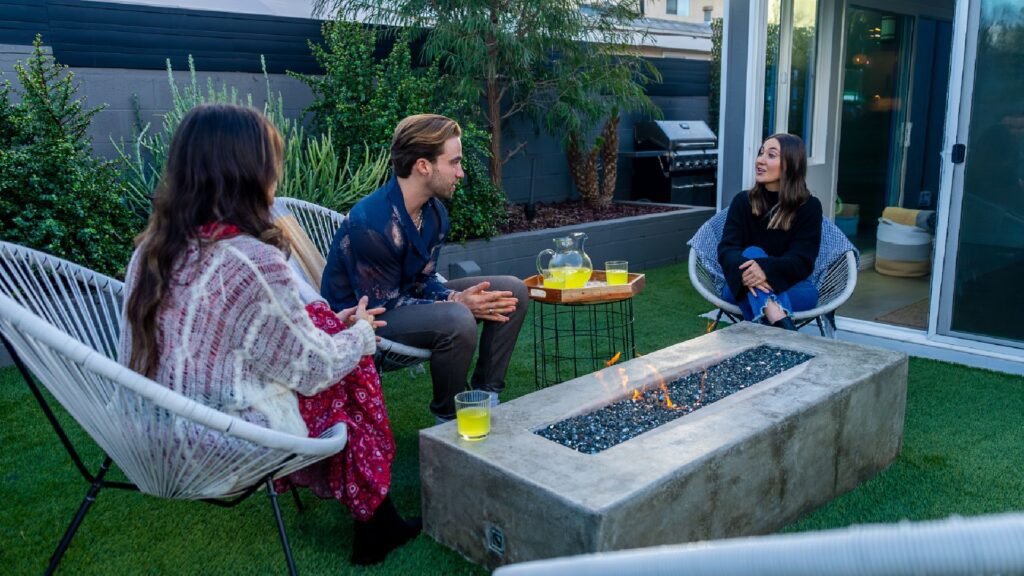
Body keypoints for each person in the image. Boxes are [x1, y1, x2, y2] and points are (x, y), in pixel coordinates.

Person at [118, 103, 418, 566]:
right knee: (350, 367)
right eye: (272, 163)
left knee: (323, 326)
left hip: (148, 432)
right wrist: (359, 335)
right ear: (251, 174)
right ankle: (375, 519)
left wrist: (329, 325)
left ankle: (378, 518)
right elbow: (314, 369)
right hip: (219, 439)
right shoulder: (250, 262)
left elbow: (237, 340)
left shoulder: (151, 253)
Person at [321, 114, 528, 422]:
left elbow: (424, 280)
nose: (461, 173)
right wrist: (454, 301)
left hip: (403, 302)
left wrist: (449, 295)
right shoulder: (372, 223)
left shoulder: (433, 213)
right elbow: (382, 305)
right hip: (365, 319)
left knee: (513, 290)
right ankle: (448, 416)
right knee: (457, 317)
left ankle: (483, 398)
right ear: (423, 166)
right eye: (454, 162)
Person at [718, 133, 822, 330]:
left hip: (793, 287)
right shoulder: (743, 201)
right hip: (740, 284)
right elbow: (727, 250)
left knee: (755, 259)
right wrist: (752, 270)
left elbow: (802, 260)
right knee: (752, 253)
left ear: (790, 164)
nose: (760, 160)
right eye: (761, 153)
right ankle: (781, 324)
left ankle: (770, 327)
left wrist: (764, 269)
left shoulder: (809, 206)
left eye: (771, 155)